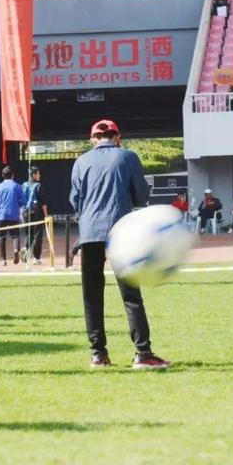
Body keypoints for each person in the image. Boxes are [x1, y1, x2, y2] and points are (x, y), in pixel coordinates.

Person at [69, 118, 170, 369]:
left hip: (90, 233)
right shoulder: (128, 157)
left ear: (93, 139)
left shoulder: (81, 162)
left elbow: (75, 200)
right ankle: (143, 353)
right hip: (121, 232)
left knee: (92, 296)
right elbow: (141, 195)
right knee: (131, 295)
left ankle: (98, 354)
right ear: (118, 137)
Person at [0, 165, 26, 265]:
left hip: (1, 215)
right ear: (13, 175)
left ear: (2, 175)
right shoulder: (17, 186)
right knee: (15, 236)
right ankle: (15, 251)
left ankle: (3, 260)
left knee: (1, 237)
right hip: (14, 214)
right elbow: (23, 201)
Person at [22, 165, 49, 264]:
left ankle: (26, 251)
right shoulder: (38, 186)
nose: (39, 175)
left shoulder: (24, 185)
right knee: (37, 235)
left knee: (28, 234)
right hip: (36, 213)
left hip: (26, 213)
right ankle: (36, 258)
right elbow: (43, 202)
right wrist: (46, 215)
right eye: (38, 173)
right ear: (33, 175)